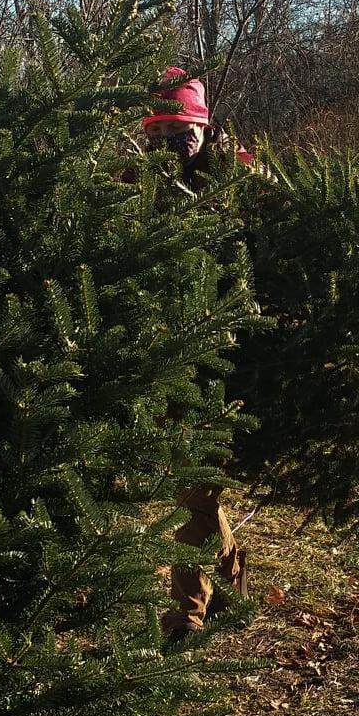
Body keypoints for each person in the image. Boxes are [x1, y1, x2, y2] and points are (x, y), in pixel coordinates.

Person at [139, 67, 252, 640]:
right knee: (197, 492)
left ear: (205, 131)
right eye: (157, 137)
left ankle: (186, 615)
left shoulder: (236, 184)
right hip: (160, 361)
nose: (169, 150)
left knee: (193, 494)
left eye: (182, 135)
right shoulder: (136, 192)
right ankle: (233, 586)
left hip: (218, 364)